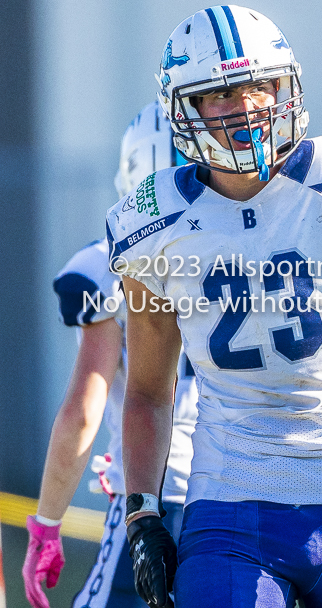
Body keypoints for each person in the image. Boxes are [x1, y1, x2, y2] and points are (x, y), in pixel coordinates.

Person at [106, 5, 322, 608]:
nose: (248, 105)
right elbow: (148, 390)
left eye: (261, 85)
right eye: (221, 94)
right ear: (184, 109)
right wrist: (142, 515)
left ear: (288, 84)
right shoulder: (155, 221)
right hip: (231, 499)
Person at [22, 101, 198, 608]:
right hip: (243, 496)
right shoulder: (246, 251)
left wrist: (47, 525)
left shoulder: (105, 265)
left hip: (154, 498)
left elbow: (83, 412)